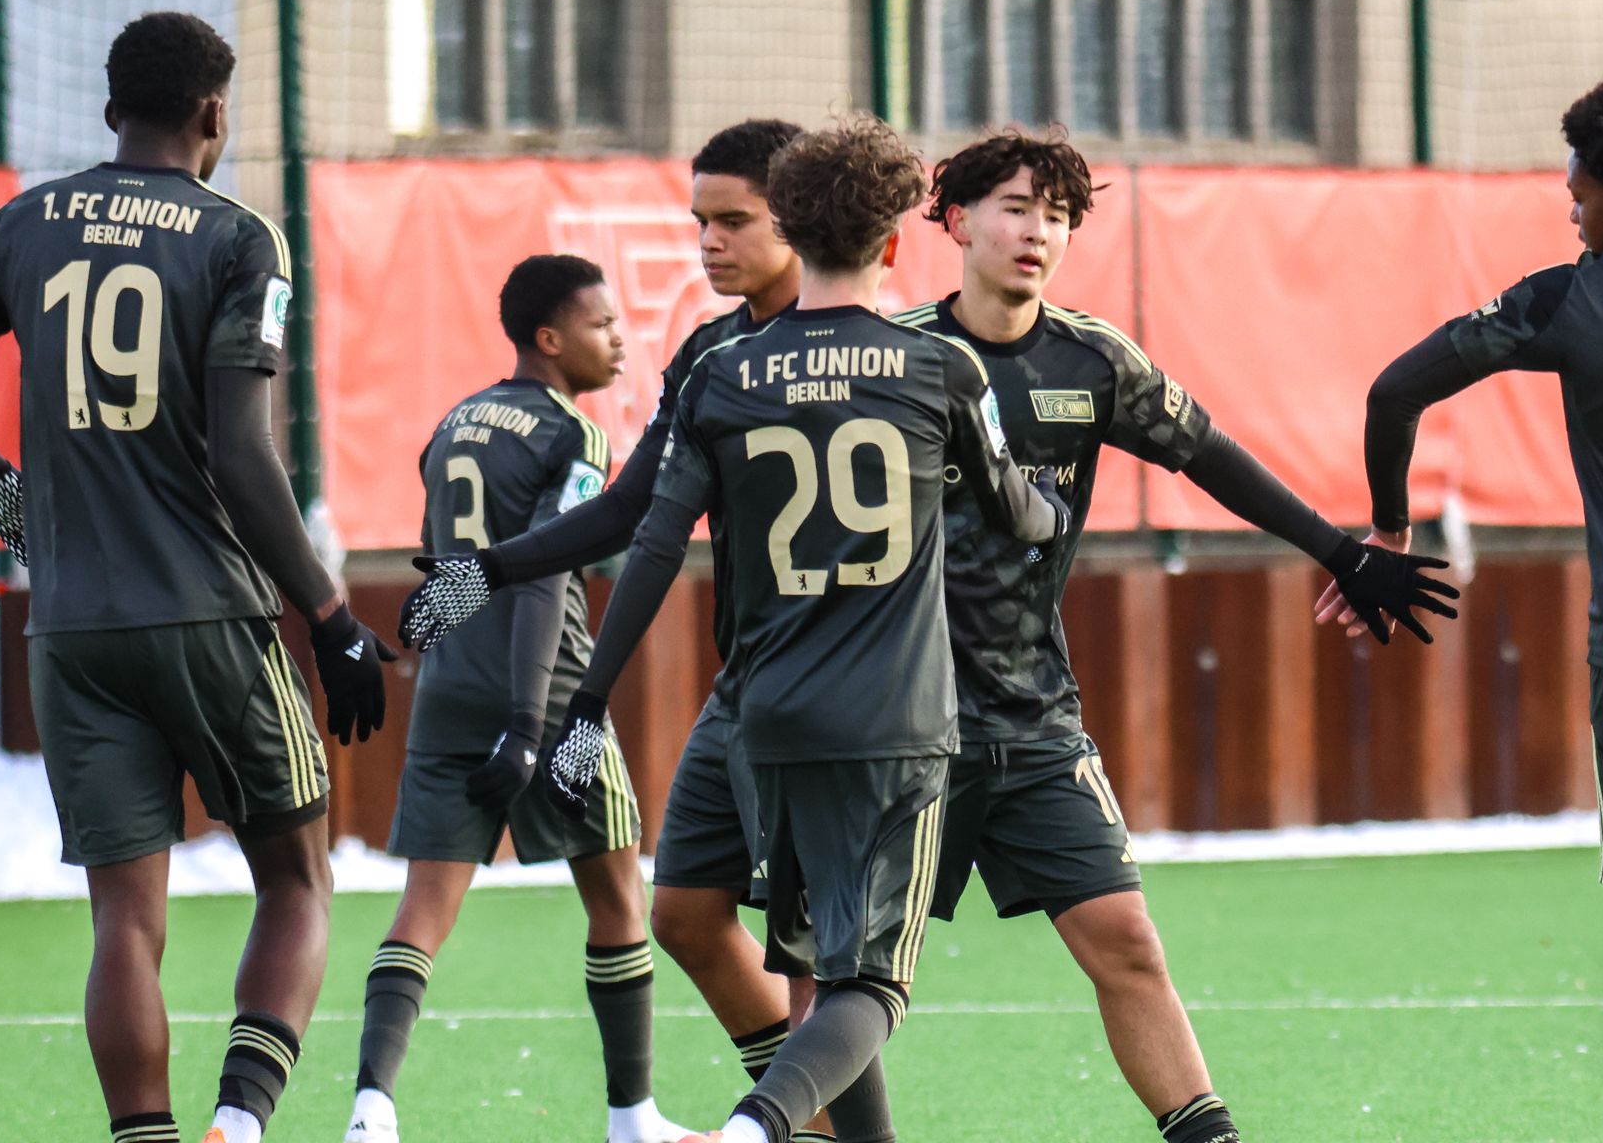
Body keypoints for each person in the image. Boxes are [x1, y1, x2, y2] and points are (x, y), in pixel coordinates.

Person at [0, 12, 395, 1143]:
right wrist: (332, 615)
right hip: (211, 610)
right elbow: (248, 461)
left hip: (71, 627)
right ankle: (241, 1122)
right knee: (298, 878)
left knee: (125, 919)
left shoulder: (16, 227)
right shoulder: (239, 239)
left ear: (110, 109)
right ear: (216, 114)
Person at [893, 129, 1458, 1143]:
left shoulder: (1092, 357)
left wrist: (1338, 549)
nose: (1038, 232)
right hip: (895, 718)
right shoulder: (894, 358)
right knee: (841, 976)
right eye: (1016, 208)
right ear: (955, 219)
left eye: (1058, 216)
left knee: (1128, 943)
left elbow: (1210, 456)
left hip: (1029, 716)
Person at [541, 114, 1066, 1143]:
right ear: (898, 244)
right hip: (895, 727)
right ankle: (758, 1126)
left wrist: (592, 699)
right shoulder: (939, 369)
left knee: (811, 972)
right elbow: (1018, 514)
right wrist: (1050, 514)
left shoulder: (721, 375)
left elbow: (648, 546)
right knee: (869, 986)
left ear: (787, 222)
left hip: (767, 715)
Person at [1320, 79, 1603, 1143]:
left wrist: (1388, 532)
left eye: (1577, 188)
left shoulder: (1572, 297)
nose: (1568, 205)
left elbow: (1395, 391)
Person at [398, 120, 836, 1132]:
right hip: (750, 685)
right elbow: (631, 518)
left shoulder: (874, 342)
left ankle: (789, 1124)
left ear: (800, 219)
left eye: (734, 221)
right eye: (701, 223)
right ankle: (795, 1118)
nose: (709, 243)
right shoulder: (709, 354)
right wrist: (487, 572)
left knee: (819, 955)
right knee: (682, 911)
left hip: (847, 684)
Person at [344, 254, 687, 1143]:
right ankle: (632, 1117)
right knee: (617, 898)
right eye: (602, 325)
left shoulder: (454, 422)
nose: (620, 339)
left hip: (453, 686)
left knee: (424, 909)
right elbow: (544, 578)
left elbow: (444, 574)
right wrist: (533, 726)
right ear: (550, 338)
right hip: (551, 688)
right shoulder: (574, 433)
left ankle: (371, 1108)